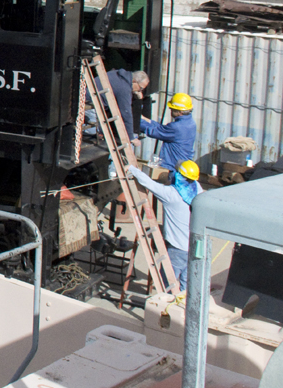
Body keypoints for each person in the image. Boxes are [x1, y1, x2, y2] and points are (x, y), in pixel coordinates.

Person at [127, 159, 201, 290]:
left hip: (178, 248)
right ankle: (183, 309)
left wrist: (133, 169)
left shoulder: (171, 195)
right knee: (186, 285)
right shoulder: (197, 190)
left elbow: (149, 184)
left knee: (166, 284)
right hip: (195, 246)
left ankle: (164, 309)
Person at [85, 68, 149, 141]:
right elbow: (126, 113)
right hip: (88, 103)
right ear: (134, 81)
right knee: (92, 131)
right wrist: (131, 137)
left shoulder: (118, 74)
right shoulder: (124, 88)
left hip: (91, 96)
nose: (139, 91)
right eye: (140, 88)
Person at [140, 92, 197, 172]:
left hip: (172, 166)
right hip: (182, 164)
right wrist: (147, 120)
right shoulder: (191, 123)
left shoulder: (177, 127)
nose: (170, 111)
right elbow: (163, 129)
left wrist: (136, 121)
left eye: (172, 109)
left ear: (180, 112)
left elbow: (154, 131)